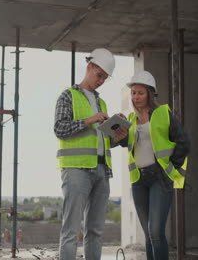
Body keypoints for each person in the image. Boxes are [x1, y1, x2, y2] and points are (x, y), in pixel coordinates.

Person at [54, 48, 127, 260]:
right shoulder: (68, 95)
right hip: (77, 170)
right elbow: (60, 128)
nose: (101, 80)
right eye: (99, 75)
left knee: (95, 231)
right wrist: (89, 120)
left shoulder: (101, 102)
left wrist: (116, 136)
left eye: (105, 78)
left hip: (102, 172)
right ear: (89, 67)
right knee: (70, 230)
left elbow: (101, 141)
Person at [118, 70, 190, 260]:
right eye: (133, 93)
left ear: (150, 93)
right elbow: (129, 146)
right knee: (149, 235)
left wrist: (169, 168)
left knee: (156, 232)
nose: (136, 97)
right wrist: (121, 134)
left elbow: (183, 142)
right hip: (139, 180)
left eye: (140, 93)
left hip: (160, 178)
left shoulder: (163, 114)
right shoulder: (131, 120)